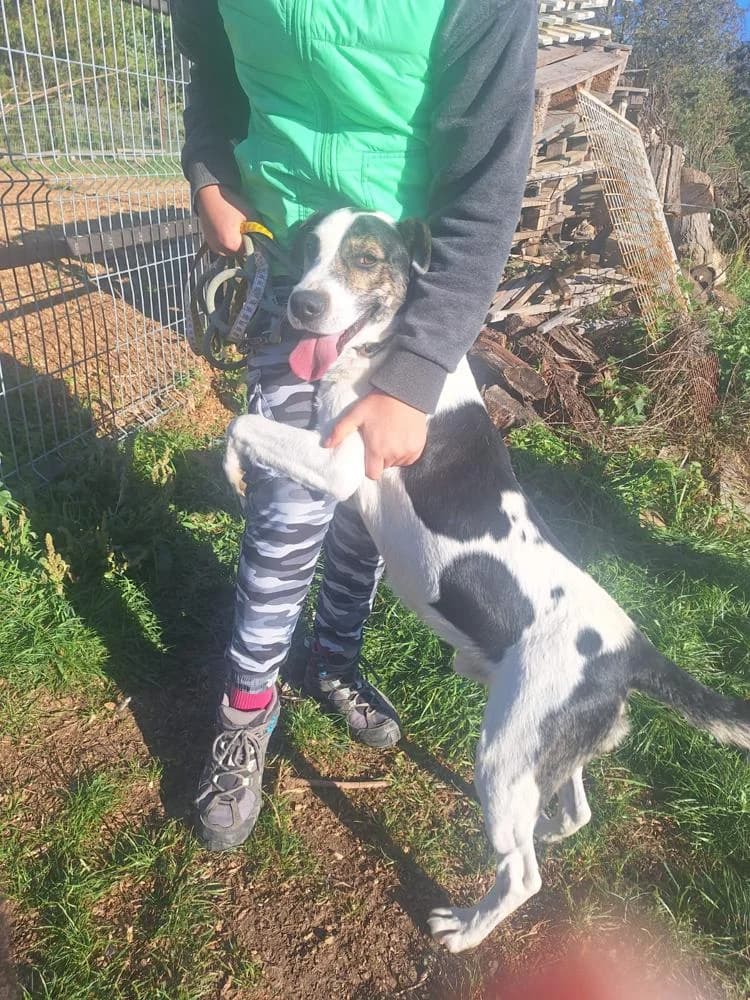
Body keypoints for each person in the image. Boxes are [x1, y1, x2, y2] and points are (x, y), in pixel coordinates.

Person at [173, 0, 537, 851]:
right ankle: (247, 710)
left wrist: (416, 373)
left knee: (368, 517)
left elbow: (486, 182)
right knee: (289, 511)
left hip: (399, 284)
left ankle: (331, 659)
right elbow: (212, 79)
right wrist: (208, 177)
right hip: (287, 260)